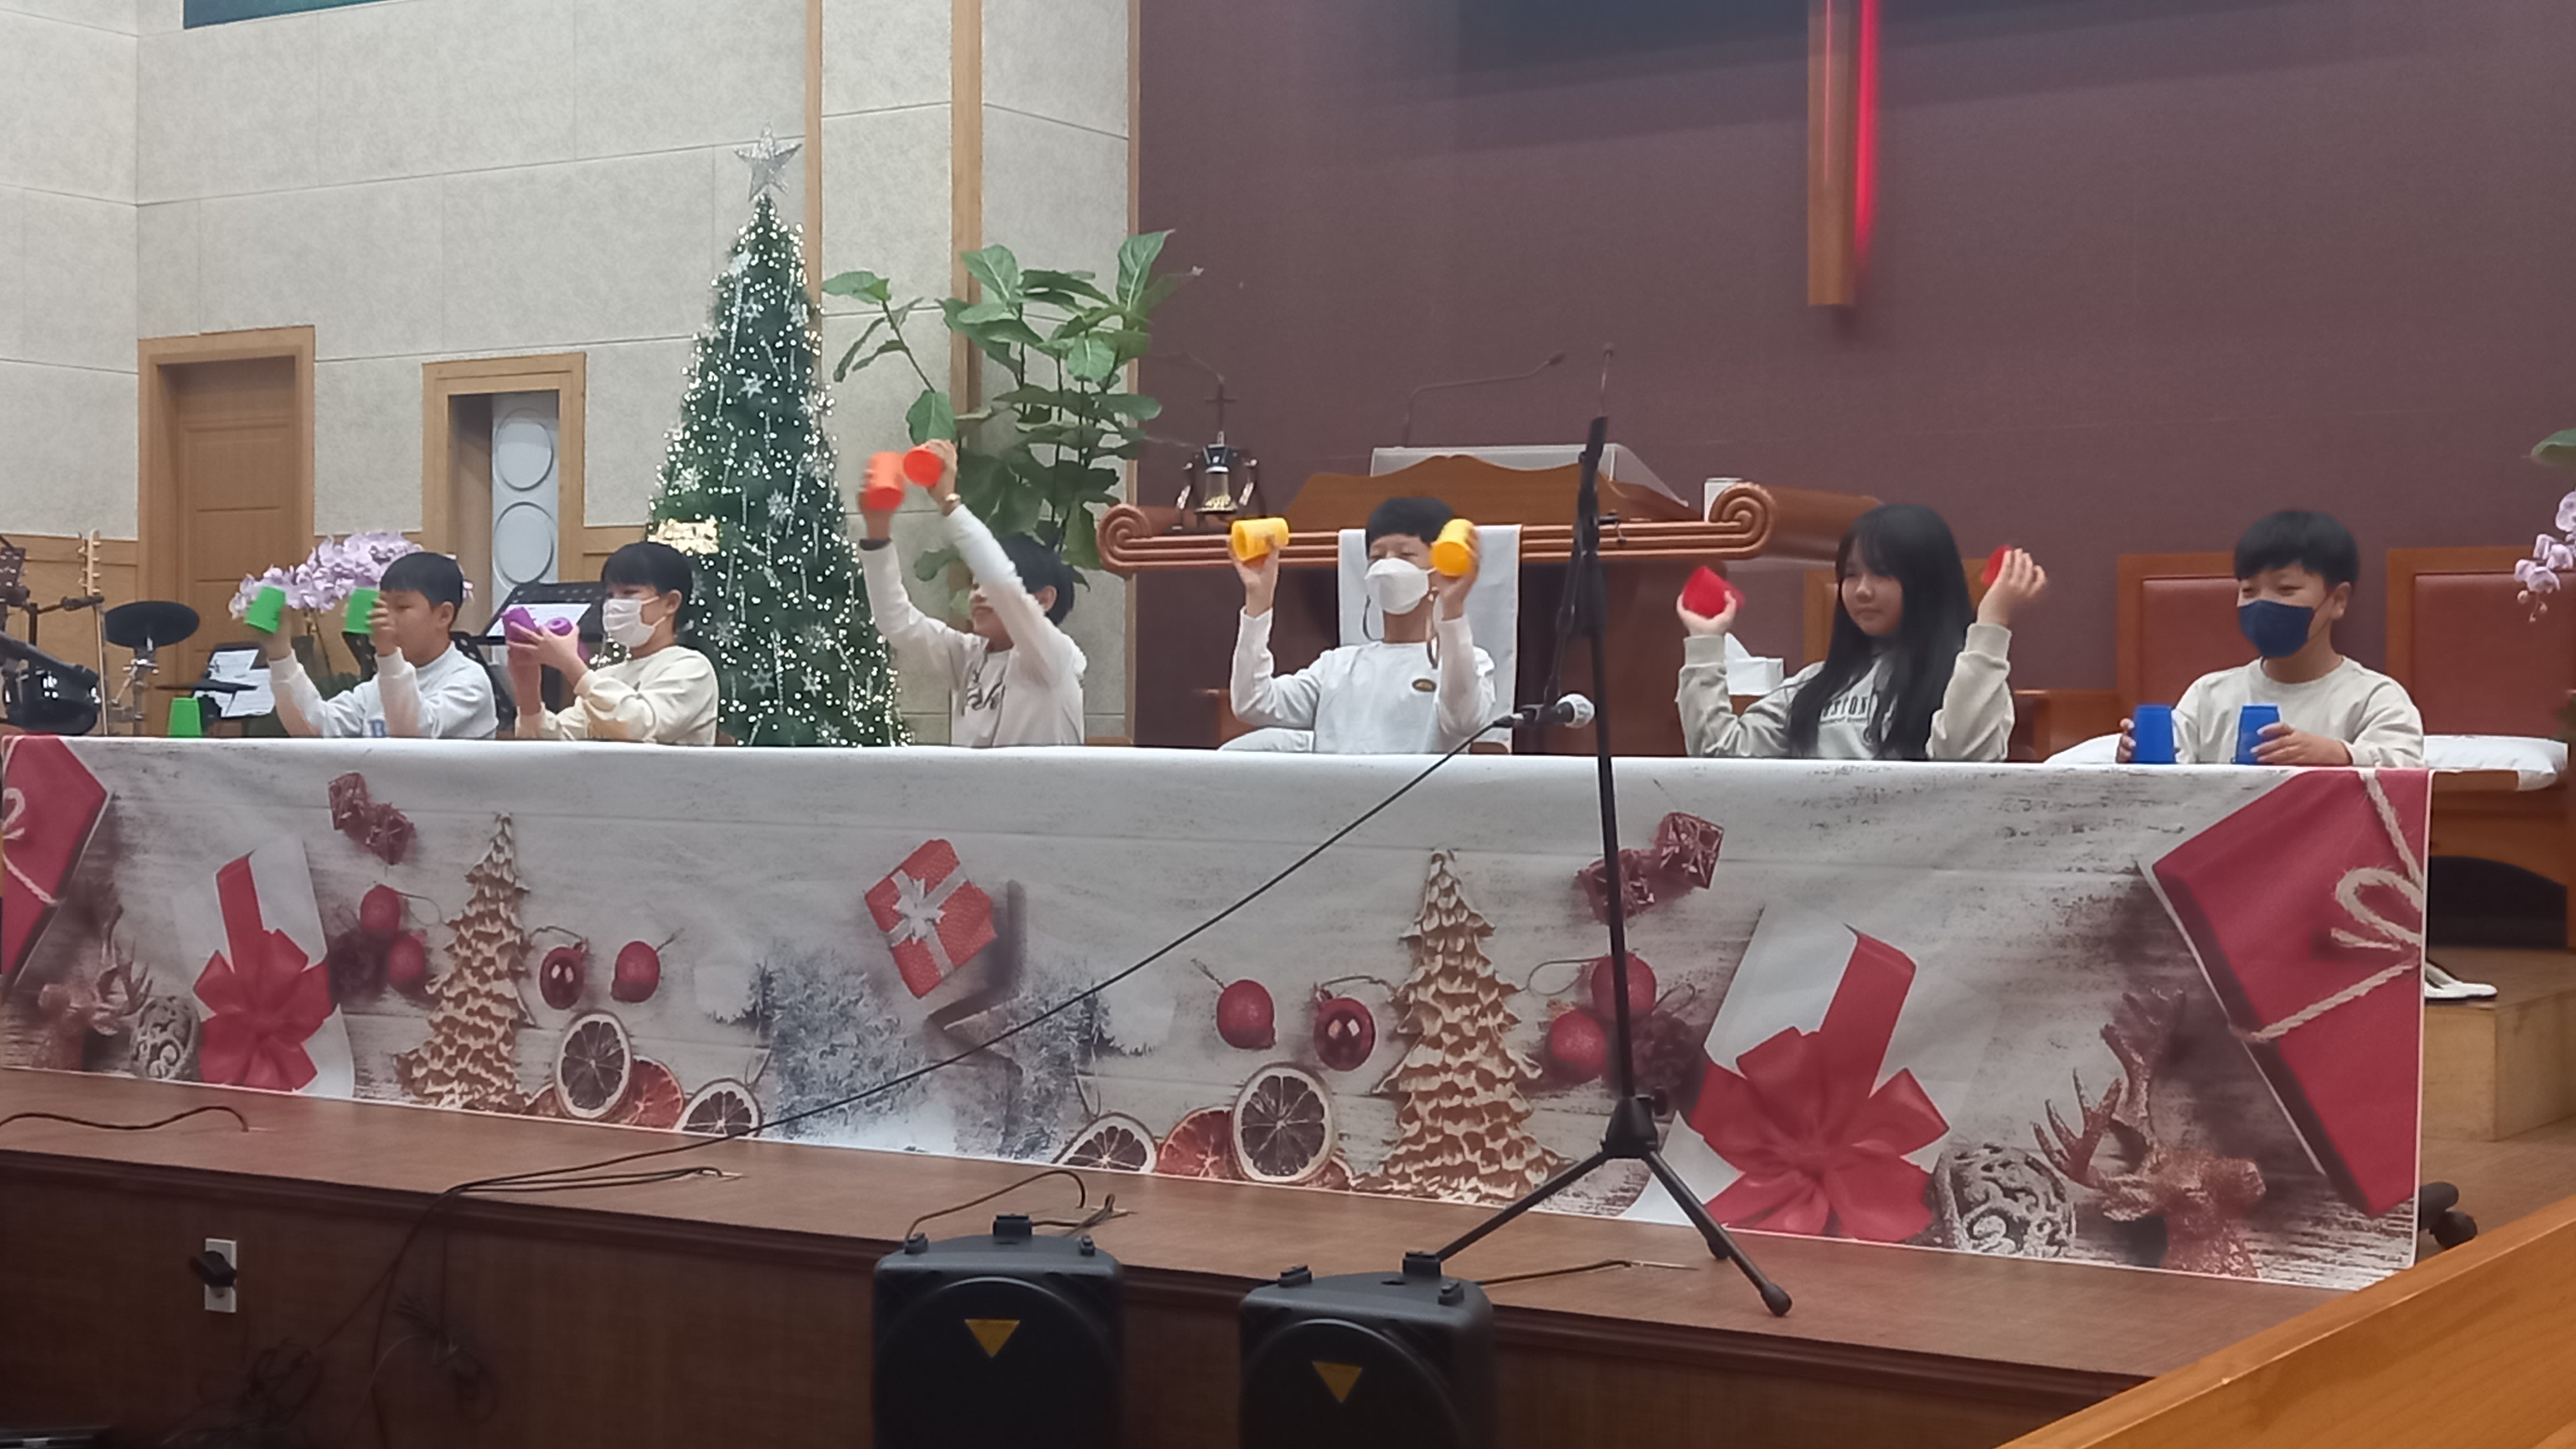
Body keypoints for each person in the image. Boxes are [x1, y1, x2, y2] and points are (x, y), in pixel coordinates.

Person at [1677, 503, 2044, 761]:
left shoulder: (1964, 679)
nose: (1862, 590)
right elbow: (1718, 755)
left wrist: (1991, 622)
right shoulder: (1811, 686)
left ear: (1927, 583)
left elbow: (1965, 764)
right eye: (1851, 574)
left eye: (1882, 573)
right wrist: (1706, 643)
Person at [2117, 509, 2424, 768]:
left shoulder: (2375, 697)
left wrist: (2340, 755)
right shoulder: (2208, 696)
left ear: (2338, 600)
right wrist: (2135, 759)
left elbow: (2407, 769)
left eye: (2286, 589)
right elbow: (2165, 781)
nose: (2262, 603)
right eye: (2248, 591)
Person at [857, 439, 1086, 748]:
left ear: (1043, 599)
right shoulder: (968, 656)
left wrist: (949, 502)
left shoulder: (1053, 657)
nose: (977, 595)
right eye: (975, 586)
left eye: (986, 587)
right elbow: (897, 622)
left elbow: (1003, 584)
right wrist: (878, 529)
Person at [1231, 496, 1496, 753]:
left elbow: (1464, 721)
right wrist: (1259, 600)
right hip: (1338, 786)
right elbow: (1253, 703)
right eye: (1377, 556)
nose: (1387, 565)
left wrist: (1453, 609)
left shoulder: (1466, 662)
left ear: (1439, 567)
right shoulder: (1337, 667)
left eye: (1405, 555)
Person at [257, 550, 497, 740]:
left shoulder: (469, 682)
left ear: (444, 615)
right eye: (382, 606)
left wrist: (388, 653)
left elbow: (413, 736)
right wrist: (280, 653)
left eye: (401, 607)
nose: (387, 617)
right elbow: (314, 728)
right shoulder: (377, 687)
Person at [510, 541, 719, 745]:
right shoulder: (605, 677)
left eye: (628, 593)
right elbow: (552, 745)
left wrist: (571, 665)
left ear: (671, 603)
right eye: (610, 595)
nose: (614, 604)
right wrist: (527, 687)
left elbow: (639, 727)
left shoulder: (692, 668)